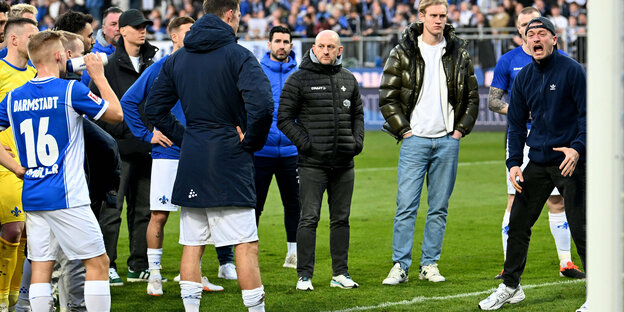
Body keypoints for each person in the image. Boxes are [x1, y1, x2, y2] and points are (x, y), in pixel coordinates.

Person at [144, 0, 273, 310]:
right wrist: (251, 142)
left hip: (193, 158)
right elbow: (264, 105)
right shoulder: (238, 55)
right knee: (245, 243)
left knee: (193, 243)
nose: (240, 20)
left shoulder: (178, 59)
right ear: (230, 14)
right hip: (229, 156)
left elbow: (153, 109)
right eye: (239, 15)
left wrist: (186, 138)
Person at [0, 29, 123, 312]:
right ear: (59, 55)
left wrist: (17, 167)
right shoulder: (70, 90)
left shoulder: (14, 97)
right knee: (98, 262)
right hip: (67, 195)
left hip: (33, 193)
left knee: (42, 267)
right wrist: (100, 77)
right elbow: (116, 115)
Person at [478, 17, 587, 312]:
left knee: (581, 227)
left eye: (541, 33)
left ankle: (600, 293)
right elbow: (515, 125)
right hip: (537, 160)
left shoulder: (573, 71)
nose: (535, 38)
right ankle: (511, 287)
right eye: (530, 34)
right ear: (525, 42)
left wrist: (577, 149)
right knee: (518, 223)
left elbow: (587, 116)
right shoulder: (524, 76)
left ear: (555, 39)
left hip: (569, 161)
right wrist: (514, 163)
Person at [120, 15, 228, 296]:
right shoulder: (161, 67)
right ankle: (154, 275)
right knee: (159, 215)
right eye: (189, 31)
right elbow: (129, 101)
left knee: (199, 215)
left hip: (198, 153)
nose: (194, 35)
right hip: (168, 153)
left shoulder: (206, 66)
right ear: (175, 37)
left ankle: (192, 273)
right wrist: (147, 135)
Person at [378, 0, 479, 285]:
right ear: (421, 16)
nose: (439, 21)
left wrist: (459, 131)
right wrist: (405, 131)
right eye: (433, 15)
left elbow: (472, 96)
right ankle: (400, 265)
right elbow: (387, 96)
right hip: (414, 141)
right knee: (406, 206)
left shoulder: (459, 52)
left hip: (448, 140)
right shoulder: (402, 51)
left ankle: (429, 264)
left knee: (438, 208)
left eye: (443, 16)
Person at [278, 29, 364, 291]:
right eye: (321, 46)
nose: (325, 51)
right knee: (309, 218)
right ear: (313, 48)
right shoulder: (298, 79)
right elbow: (283, 118)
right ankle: (304, 276)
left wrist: (356, 143)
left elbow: (358, 114)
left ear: (340, 51)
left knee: (341, 219)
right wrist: (307, 144)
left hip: (343, 165)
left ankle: (340, 273)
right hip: (312, 164)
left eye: (331, 47)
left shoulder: (349, 79)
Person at [89, 8, 158, 287]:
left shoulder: (153, 61)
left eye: (145, 26)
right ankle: (109, 264)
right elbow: (101, 109)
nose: (142, 30)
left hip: (147, 147)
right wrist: (131, 132)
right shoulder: (106, 65)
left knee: (144, 210)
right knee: (112, 211)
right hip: (118, 148)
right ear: (123, 31)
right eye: (137, 26)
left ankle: (138, 265)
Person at [0, 17, 38, 310]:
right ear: (13, 40)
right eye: (31, 36)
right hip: (5, 163)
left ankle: (16, 299)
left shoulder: (37, 75)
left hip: (32, 164)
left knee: (27, 233)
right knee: (13, 228)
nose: (36, 42)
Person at [256, 25, 300, 269]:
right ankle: (248, 251)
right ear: (269, 44)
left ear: (291, 46)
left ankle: (292, 253)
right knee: (254, 206)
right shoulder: (256, 71)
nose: (282, 46)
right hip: (261, 151)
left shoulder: (300, 73)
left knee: (294, 204)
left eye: (286, 42)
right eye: (278, 41)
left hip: (292, 152)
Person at [82, 6, 122, 87]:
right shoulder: (91, 54)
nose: (118, 28)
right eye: (113, 24)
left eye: (121, 24)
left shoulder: (134, 51)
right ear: (103, 28)